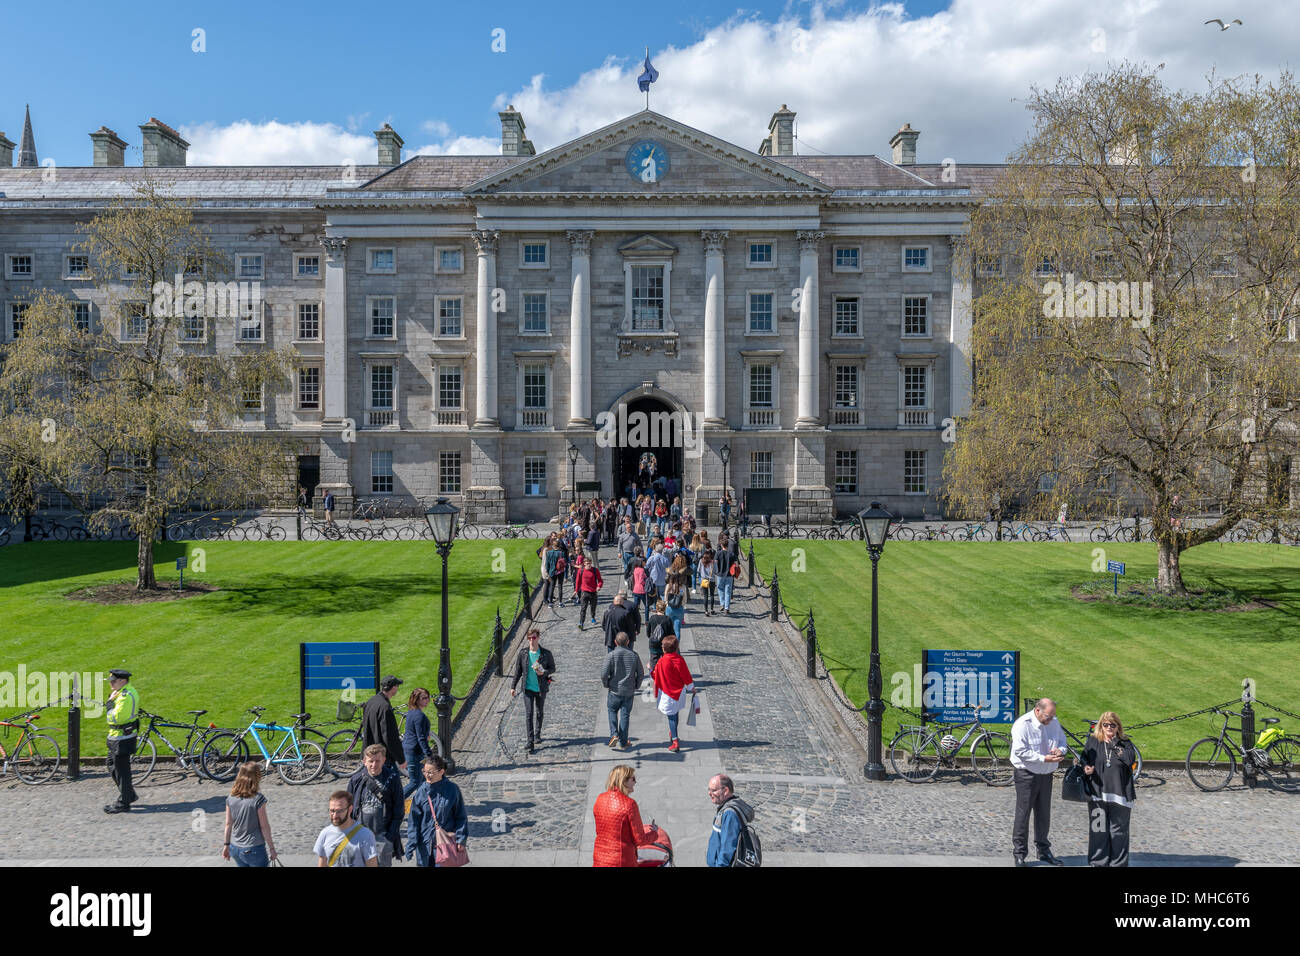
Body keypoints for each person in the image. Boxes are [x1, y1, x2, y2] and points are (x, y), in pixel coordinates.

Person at [1010, 697, 1069, 866]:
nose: (1051, 720)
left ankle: (1043, 850)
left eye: (1052, 716)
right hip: (1026, 773)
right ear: (1037, 711)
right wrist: (1043, 758)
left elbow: (1063, 741)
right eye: (1048, 716)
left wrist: (1060, 750)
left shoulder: (1054, 722)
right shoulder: (1023, 724)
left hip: (1046, 774)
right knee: (1023, 814)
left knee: (1044, 814)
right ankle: (1019, 853)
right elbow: (1020, 751)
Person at [1083, 711, 1138, 867]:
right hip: (1097, 796)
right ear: (1101, 725)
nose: (1108, 728)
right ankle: (1097, 863)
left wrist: (1114, 743)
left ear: (1118, 727)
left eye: (1112, 725)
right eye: (1105, 724)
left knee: (1118, 833)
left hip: (1120, 796)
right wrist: (1085, 767)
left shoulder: (1125, 743)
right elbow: (1084, 758)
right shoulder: (1093, 742)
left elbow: (1129, 759)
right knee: (1098, 831)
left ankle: (1118, 864)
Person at [347, 744, 405, 866]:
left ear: (384, 760)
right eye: (370, 761)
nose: (374, 765)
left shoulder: (393, 778)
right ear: (364, 761)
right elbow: (348, 808)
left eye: (377, 761)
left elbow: (399, 809)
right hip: (360, 835)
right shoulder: (356, 779)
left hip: (382, 836)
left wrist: (390, 836)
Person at [592, 765, 661, 867]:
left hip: (600, 858)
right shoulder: (629, 804)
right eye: (633, 779)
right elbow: (640, 840)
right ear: (623, 781)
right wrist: (654, 833)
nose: (635, 782)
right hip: (622, 860)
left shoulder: (600, 799)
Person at [406, 755, 468, 867]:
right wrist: (411, 843)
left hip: (445, 844)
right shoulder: (421, 792)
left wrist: (461, 839)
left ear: (441, 772)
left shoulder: (452, 789)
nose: (426, 775)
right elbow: (414, 820)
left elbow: (461, 816)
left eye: (430, 772)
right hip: (425, 845)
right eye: (424, 771)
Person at [222, 762, 277, 866]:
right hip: (254, 848)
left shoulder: (230, 798)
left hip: (235, 847)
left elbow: (228, 824)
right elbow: (264, 826)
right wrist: (272, 848)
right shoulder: (258, 799)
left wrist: (226, 845)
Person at [510, 629, 555, 754]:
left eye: (533, 638)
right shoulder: (523, 653)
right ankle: (530, 741)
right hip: (527, 689)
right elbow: (518, 671)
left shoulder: (545, 653)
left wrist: (544, 672)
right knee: (529, 714)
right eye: (529, 638)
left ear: (538, 638)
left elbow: (552, 668)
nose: (531, 640)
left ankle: (537, 734)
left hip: (541, 688)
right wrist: (513, 686)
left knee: (539, 711)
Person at [103, 668, 140, 814]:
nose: (111, 683)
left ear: (123, 681)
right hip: (118, 737)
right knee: (111, 764)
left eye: (113, 681)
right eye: (110, 681)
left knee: (122, 771)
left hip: (122, 738)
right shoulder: (123, 692)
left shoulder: (125, 695)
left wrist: (109, 704)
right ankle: (128, 794)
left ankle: (124, 802)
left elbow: (116, 717)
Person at [601, 632, 644, 750]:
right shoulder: (634, 655)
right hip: (628, 691)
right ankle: (623, 741)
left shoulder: (611, 655)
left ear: (615, 642)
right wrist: (636, 685)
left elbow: (604, 674)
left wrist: (606, 684)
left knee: (612, 711)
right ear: (628, 642)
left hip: (614, 690)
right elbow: (640, 673)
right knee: (625, 715)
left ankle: (614, 734)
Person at [652, 635, 695, 753]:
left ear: (664, 649)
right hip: (679, 692)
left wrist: (651, 670)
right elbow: (686, 675)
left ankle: (675, 741)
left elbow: (656, 675)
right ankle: (673, 732)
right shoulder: (679, 660)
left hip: (667, 693)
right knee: (675, 713)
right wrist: (691, 688)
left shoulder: (662, 661)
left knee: (671, 716)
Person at [315, 790, 379, 867]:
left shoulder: (365, 835)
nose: (335, 815)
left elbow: (372, 864)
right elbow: (322, 864)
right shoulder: (325, 833)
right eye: (332, 811)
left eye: (339, 811)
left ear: (350, 809)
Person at [706, 773, 756, 867]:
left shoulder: (730, 814)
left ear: (725, 790)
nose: (710, 793)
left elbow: (727, 848)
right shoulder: (729, 806)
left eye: (713, 790)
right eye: (709, 789)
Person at [362, 675, 406, 771]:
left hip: (370, 754)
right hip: (382, 758)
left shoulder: (372, 701)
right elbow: (390, 737)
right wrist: (401, 759)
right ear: (393, 688)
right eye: (397, 686)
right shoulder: (385, 707)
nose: (397, 688)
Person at [401, 687, 434, 799]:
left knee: (421, 780)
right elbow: (420, 738)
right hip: (414, 752)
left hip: (411, 750)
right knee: (415, 782)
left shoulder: (412, 712)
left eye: (428, 697)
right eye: (424, 698)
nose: (427, 700)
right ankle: (395, 802)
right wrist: (429, 754)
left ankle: (424, 803)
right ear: (416, 699)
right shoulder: (419, 715)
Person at [645, 599, 674, 674]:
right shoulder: (668, 619)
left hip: (654, 644)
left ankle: (654, 678)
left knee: (653, 661)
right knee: (666, 661)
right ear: (664, 608)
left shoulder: (652, 618)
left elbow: (648, 633)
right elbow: (671, 634)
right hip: (665, 644)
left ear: (657, 608)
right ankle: (665, 676)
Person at [576, 556, 604, 630]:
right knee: (583, 608)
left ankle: (593, 617)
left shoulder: (595, 570)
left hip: (593, 592)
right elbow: (578, 582)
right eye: (587, 563)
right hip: (584, 592)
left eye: (589, 563)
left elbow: (600, 580)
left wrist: (599, 586)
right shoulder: (580, 571)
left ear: (591, 563)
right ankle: (581, 623)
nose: (588, 565)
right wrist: (576, 590)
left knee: (593, 607)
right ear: (584, 564)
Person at [717, 535, 738, 615]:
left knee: (720, 589)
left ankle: (722, 603)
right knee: (728, 591)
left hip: (720, 574)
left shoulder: (718, 554)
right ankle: (727, 608)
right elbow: (736, 565)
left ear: (722, 545)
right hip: (729, 575)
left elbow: (715, 563)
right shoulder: (732, 554)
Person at [698, 548, 717, 616]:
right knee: (712, 595)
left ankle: (706, 611)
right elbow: (716, 571)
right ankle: (711, 609)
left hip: (704, 580)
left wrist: (703, 574)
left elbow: (698, 570)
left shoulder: (701, 561)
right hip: (711, 580)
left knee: (705, 596)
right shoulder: (713, 562)